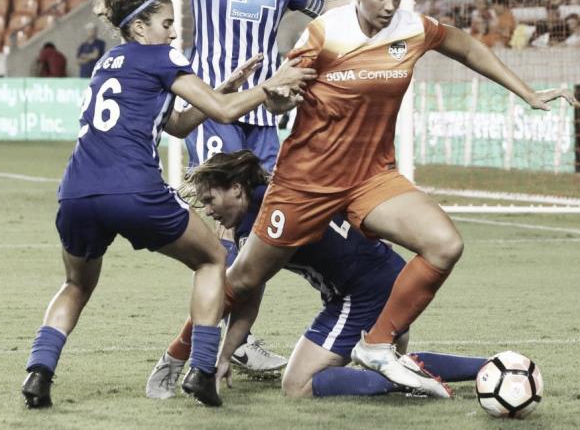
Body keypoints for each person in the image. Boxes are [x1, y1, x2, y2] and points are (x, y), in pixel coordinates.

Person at [213, 0, 579, 397]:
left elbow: (465, 46)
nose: (391, 6)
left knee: (445, 245)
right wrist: (278, 97)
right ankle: (188, 355)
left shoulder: (412, 27)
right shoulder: (326, 33)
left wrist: (525, 92)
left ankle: (379, 344)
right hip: (310, 181)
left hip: (372, 178)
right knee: (245, 280)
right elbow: (283, 99)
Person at [20, 0, 315, 410]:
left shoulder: (105, 62)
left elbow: (176, 125)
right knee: (214, 258)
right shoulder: (162, 56)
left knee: (76, 285)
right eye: (166, 23)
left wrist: (225, 85)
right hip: (133, 189)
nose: (174, 33)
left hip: (76, 191)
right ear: (140, 28)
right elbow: (225, 112)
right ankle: (200, 369)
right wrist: (268, 85)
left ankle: (39, 374)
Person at [90, 0, 417, 171]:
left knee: (259, 206)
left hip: (264, 106)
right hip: (211, 101)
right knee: (227, 201)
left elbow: (326, 8)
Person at [148, 150, 489, 400]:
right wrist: (224, 355)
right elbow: (250, 293)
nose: (208, 210)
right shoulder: (269, 201)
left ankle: (409, 384)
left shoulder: (263, 220)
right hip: (386, 278)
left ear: (236, 188)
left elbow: (245, 293)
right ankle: (488, 367)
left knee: (298, 385)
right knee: (385, 361)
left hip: (363, 294)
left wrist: (217, 357)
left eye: (210, 199)